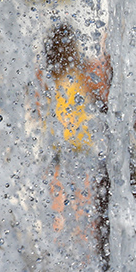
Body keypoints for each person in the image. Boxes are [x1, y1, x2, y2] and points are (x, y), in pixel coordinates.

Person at [39, 22, 103, 255]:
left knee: (57, 206)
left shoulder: (46, 73)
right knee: (83, 207)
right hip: (81, 145)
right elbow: (100, 95)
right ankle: (86, 258)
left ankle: (56, 255)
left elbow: (37, 106)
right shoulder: (83, 72)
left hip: (57, 146)